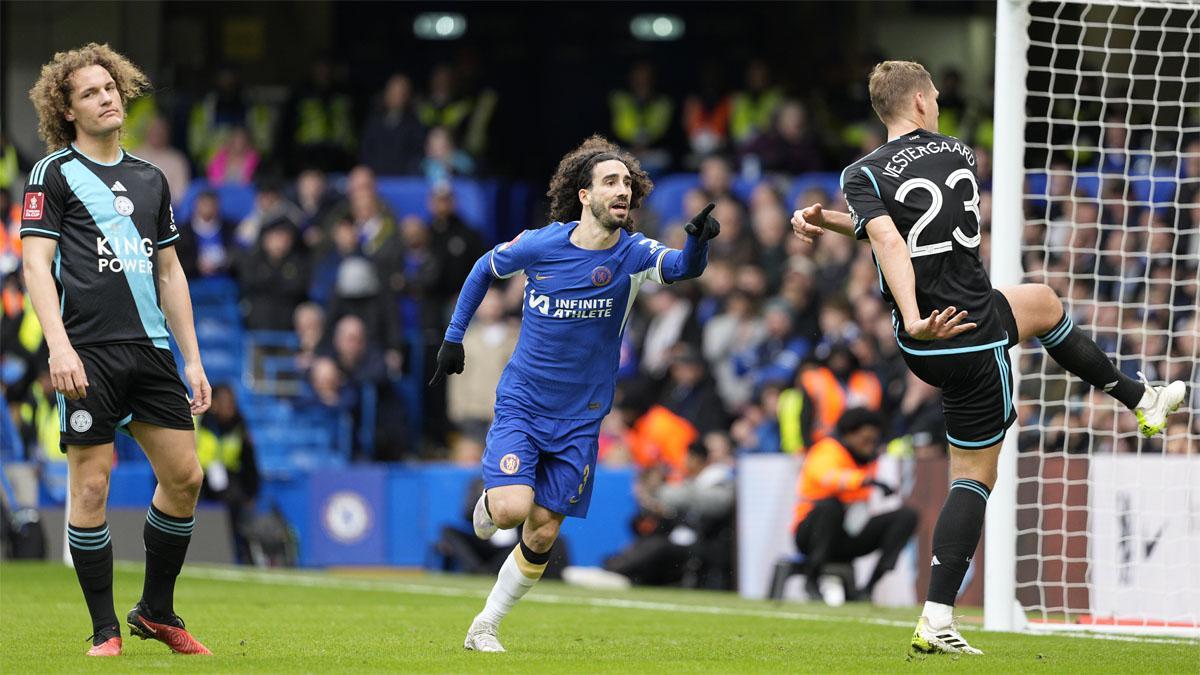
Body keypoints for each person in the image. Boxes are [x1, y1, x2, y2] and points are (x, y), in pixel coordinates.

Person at [791, 60, 1187, 655]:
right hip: (971, 334)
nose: (941, 103)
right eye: (936, 95)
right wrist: (924, 311)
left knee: (1041, 302)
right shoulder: (956, 152)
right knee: (974, 478)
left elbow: (891, 235)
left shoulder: (859, 172)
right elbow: (903, 238)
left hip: (919, 342)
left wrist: (841, 233)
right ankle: (938, 618)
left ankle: (1141, 398)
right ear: (921, 101)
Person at [429, 135, 720, 652]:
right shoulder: (543, 244)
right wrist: (453, 339)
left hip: (582, 418)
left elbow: (684, 268)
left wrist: (698, 240)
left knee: (542, 533)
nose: (622, 190)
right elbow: (482, 268)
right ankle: (493, 506)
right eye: (610, 181)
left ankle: (486, 625)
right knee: (514, 510)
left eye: (628, 183)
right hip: (524, 402)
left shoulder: (634, 254)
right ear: (584, 194)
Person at [21, 43, 213, 656]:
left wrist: (193, 357)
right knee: (92, 487)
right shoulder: (51, 174)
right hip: (88, 353)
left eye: (110, 88)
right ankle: (105, 630)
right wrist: (59, 347)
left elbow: (171, 274)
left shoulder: (151, 177)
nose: (106, 98)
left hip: (152, 351)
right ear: (68, 110)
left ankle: (156, 611)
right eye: (90, 93)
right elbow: (34, 266)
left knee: (185, 477)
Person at [791, 408, 916, 604]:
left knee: (906, 516)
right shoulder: (827, 449)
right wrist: (864, 480)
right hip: (812, 534)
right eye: (865, 440)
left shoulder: (868, 460)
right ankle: (812, 580)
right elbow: (828, 477)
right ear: (849, 435)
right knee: (830, 507)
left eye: (874, 441)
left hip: (848, 534)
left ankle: (868, 588)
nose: (870, 446)